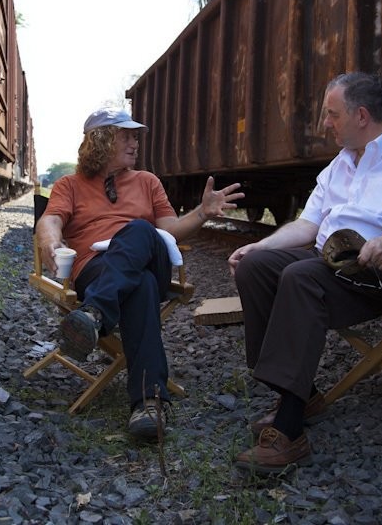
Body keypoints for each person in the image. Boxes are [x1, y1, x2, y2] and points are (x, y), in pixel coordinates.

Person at [227, 72, 382, 473]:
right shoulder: (340, 165)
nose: (325, 124)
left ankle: (289, 431)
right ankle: (301, 392)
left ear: (361, 114)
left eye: (331, 114)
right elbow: (308, 225)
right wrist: (260, 245)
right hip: (332, 264)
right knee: (257, 268)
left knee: (300, 279)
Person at [36, 107, 243, 440]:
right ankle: (149, 403)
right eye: (126, 136)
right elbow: (52, 219)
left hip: (144, 262)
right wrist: (48, 238)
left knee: (139, 231)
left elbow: (170, 230)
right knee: (141, 285)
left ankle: (95, 313)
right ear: (101, 141)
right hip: (97, 269)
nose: (135, 143)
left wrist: (203, 212)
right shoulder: (69, 185)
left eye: (136, 136)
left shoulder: (148, 182)